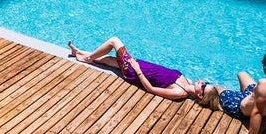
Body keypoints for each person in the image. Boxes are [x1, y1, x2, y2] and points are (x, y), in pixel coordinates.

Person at [68, 37, 211, 103]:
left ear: (200, 95)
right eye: (205, 83)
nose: (202, 83)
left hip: (133, 70)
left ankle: (87, 58)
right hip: (137, 65)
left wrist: (137, 70)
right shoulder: (187, 81)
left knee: (114, 41)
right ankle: (79, 53)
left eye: (203, 87)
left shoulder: (179, 92)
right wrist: (194, 84)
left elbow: (151, 89)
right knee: (108, 60)